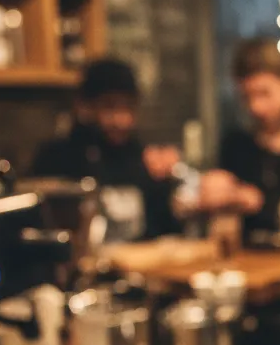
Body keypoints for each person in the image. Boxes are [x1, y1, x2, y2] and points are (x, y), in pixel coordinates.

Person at [32, 58, 180, 240]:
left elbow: (166, 231)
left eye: (128, 107)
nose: (121, 120)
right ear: (84, 106)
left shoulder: (144, 158)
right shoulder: (56, 158)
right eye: (109, 106)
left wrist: (168, 186)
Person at [191, 38, 280, 240]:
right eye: (246, 97)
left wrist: (258, 202)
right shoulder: (236, 144)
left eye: (264, 93)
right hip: (253, 264)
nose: (256, 107)